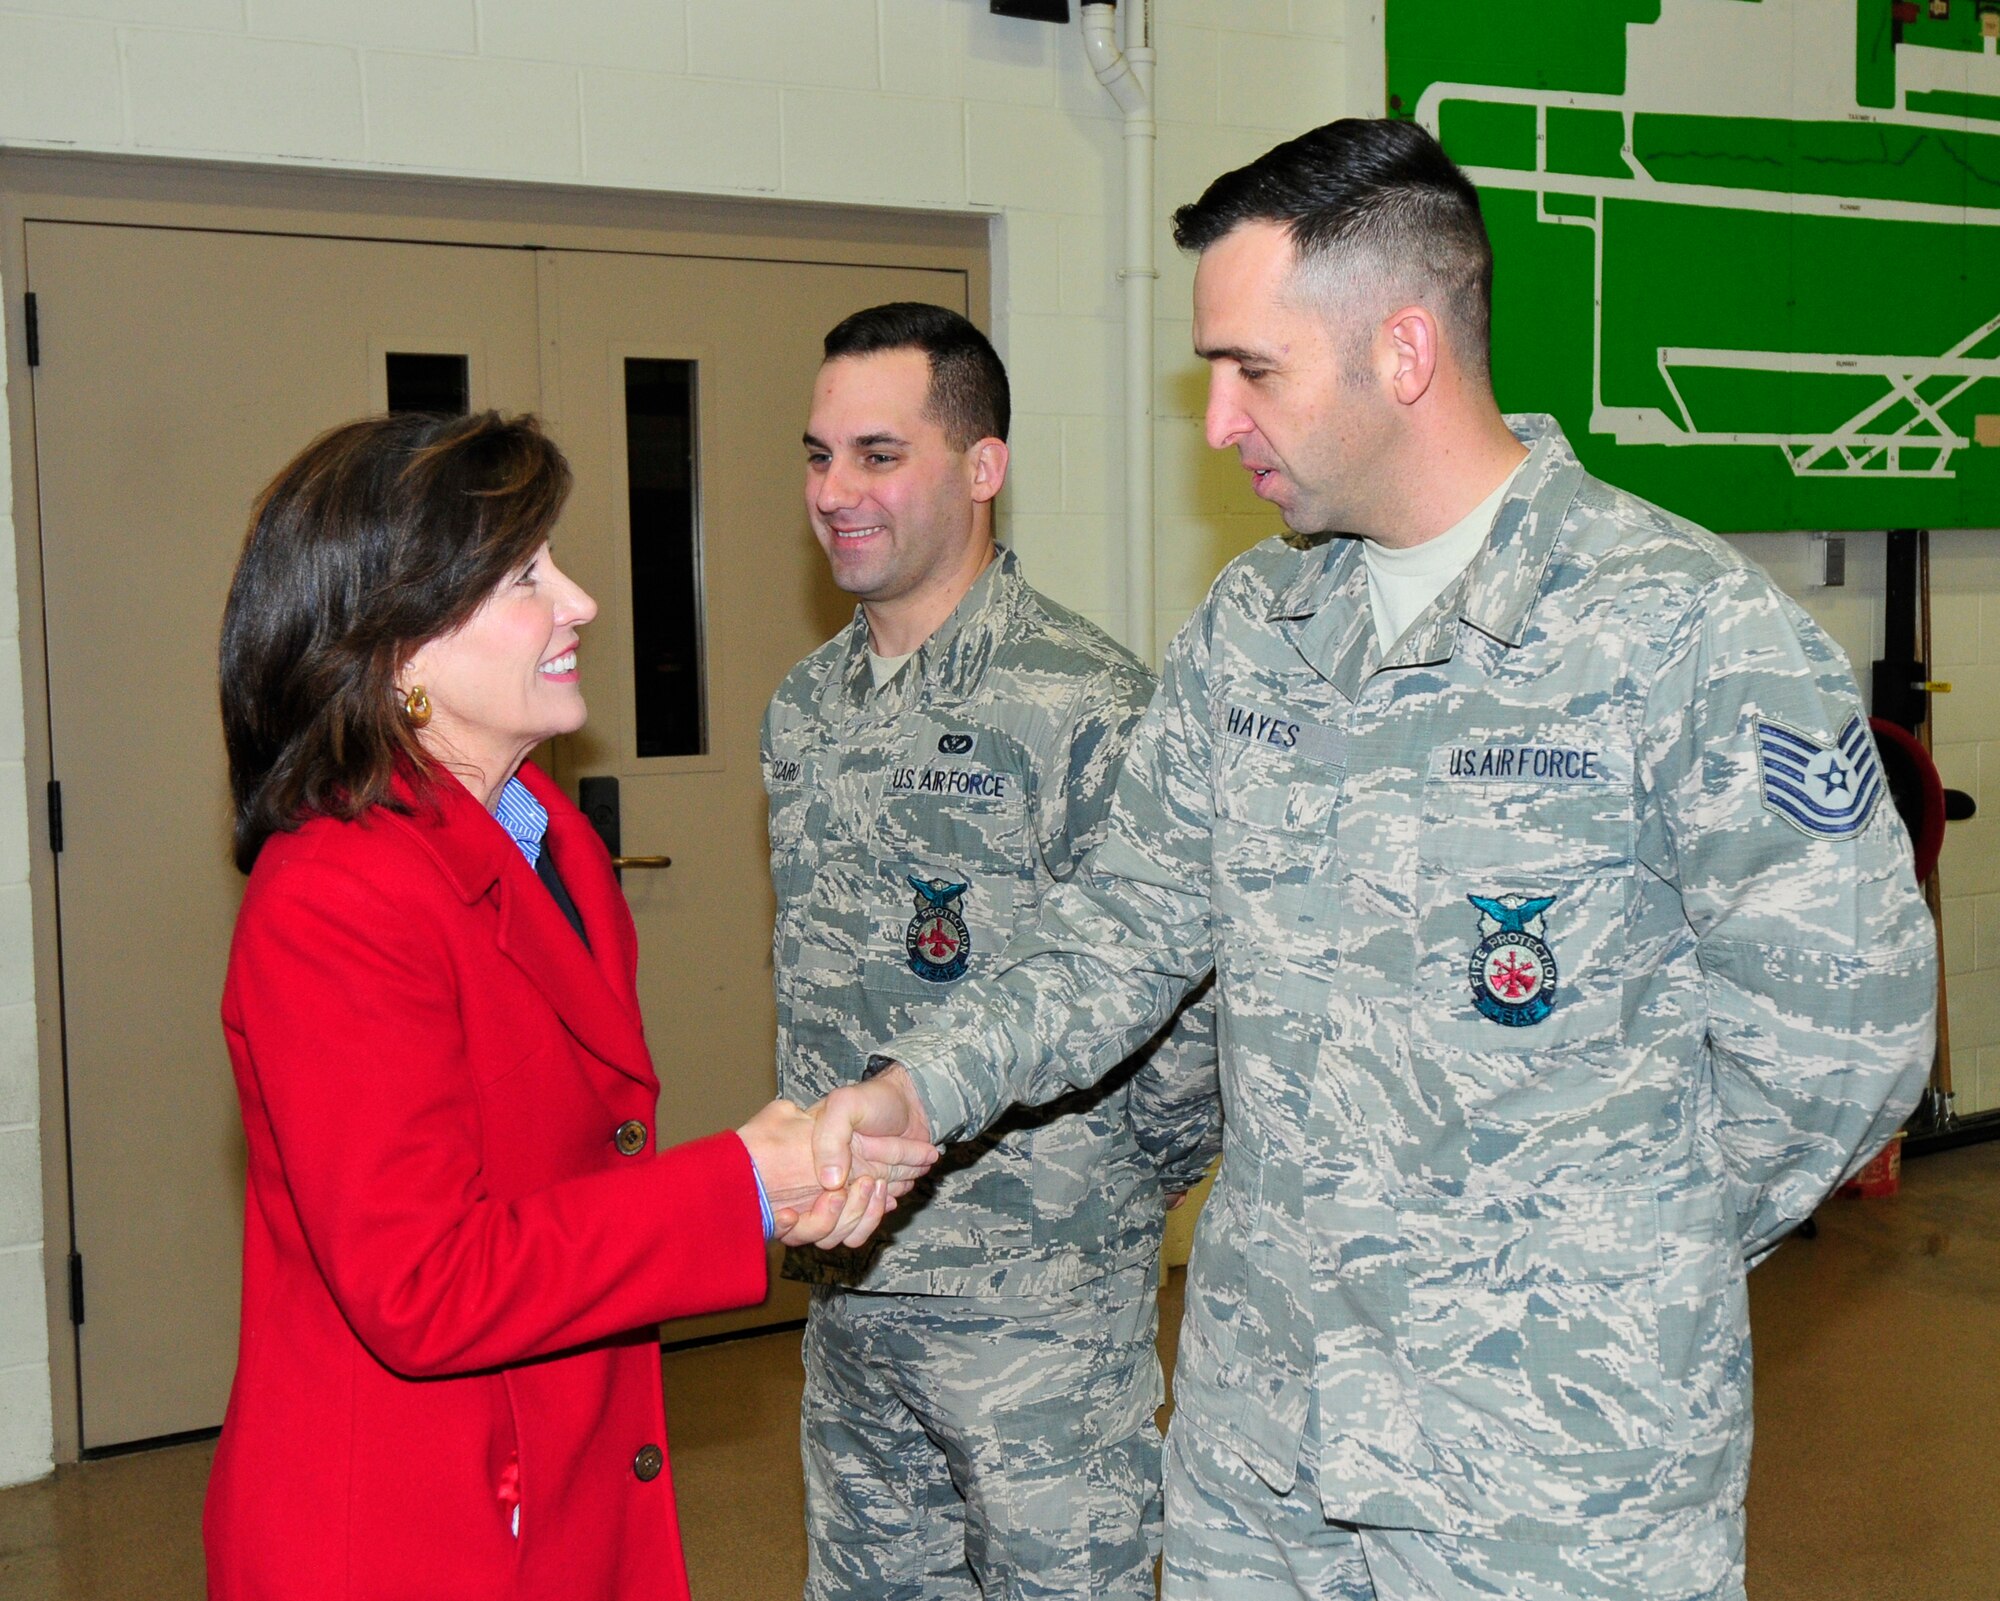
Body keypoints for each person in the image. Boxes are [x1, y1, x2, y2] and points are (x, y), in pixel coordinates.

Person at [812, 122, 1937, 1601]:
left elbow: (1843, 1033)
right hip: (1263, 1448)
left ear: (1403, 351)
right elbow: (1122, 933)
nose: (1216, 420)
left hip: (1552, 1465)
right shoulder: (1251, 633)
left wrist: (1599, 1260)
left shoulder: (1682, 631)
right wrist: (917, 1090)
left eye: (1251, 368)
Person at [207, 410, 934, 1601]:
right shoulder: (334, 896)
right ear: (396, 643)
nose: (581, 601)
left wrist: (782, 1179)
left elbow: (570, 1178)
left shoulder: (550, 845)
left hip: (564, 1476)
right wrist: (741, 1183)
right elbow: (423, 1283)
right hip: (411, 1530)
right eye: (525, 576)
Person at [767, 302, 1220, 1599]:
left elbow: (1180, 990)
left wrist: (1112, 1197)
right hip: (854, 1287)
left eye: (876, 453)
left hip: (1036, 1309)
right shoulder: (805, 707)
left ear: (982, 467)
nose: (836, 492)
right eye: (817, 456)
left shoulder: (1080, 701)